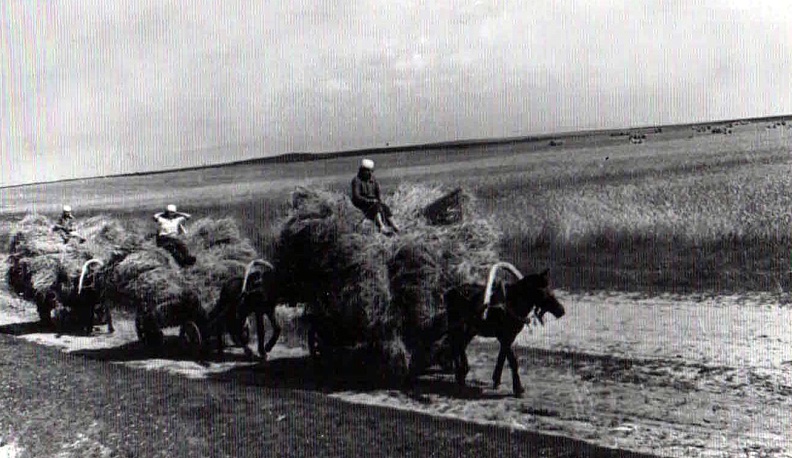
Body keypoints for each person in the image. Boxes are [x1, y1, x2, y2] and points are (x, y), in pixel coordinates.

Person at [351, 158, 399, 234]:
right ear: (363, 170)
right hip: (364, 204)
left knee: (385, 207)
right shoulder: (356, 180)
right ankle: (381, 226)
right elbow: (356, 196)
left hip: (374, 202)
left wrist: (380, 201)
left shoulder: (373, 180)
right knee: (376, 207)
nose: (370, 173)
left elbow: (378, 193)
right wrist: (369, 201)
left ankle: (394, 226)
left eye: (371, 171)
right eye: (368, 171)